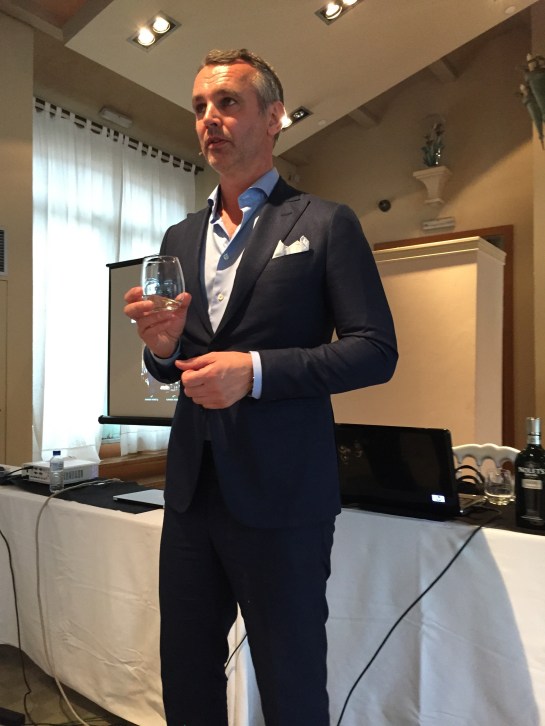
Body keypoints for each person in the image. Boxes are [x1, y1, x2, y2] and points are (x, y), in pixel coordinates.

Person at [124, 48, 397, 726]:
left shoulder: (324, 222)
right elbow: (177, 365)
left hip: (284, 497)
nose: (209, 118)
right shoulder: (179, 236)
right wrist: (161, 351)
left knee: (290, 680)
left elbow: (374, 351)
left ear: (274, 118)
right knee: (186, 673)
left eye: (227, 103)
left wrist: (256, 371)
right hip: (191, 493)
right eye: (199, 107)